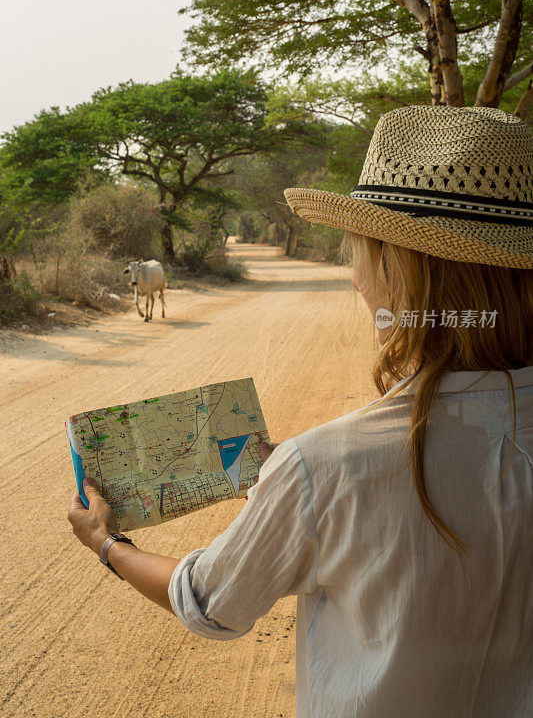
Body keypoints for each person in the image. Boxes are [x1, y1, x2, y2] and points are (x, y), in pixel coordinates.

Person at [68, 105, 533, 717]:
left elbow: (209, 601)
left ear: (405, 273)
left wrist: (107, 544)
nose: (357, 284)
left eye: (366, 258)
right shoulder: (316, 469)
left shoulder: (324, 466)